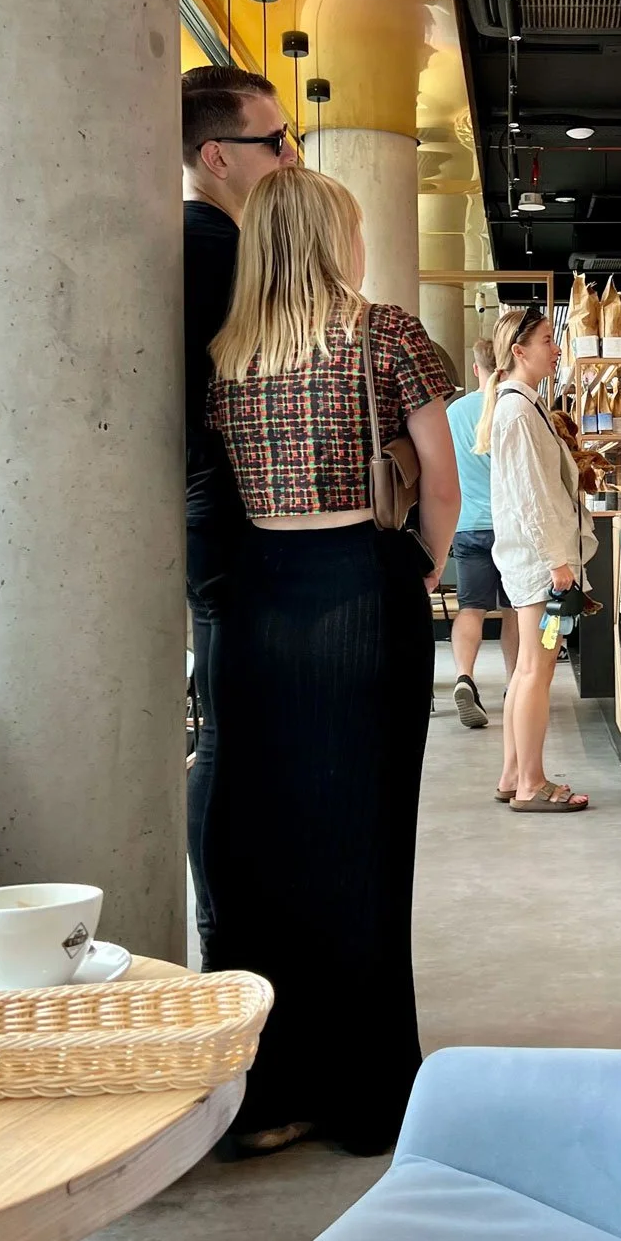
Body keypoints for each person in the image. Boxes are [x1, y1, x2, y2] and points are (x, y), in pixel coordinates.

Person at [204, 169, 460, 1155]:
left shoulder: (229, 355)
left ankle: (276, 1090)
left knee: (272, 850)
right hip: (362, 585)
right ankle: (369, 1100)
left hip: (263, 596)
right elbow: (440, 480)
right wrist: (423, 569)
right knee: (366, 840)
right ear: (331, 237)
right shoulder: (386, 332)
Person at [181, 64, 295, 965]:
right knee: (233, 728)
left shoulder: (202, 243)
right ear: (217, 156)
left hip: (217, 515)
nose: (290, 156)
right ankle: (229, 942)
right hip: (230, 516)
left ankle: (236, 934)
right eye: (275, 141)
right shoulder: (218, 252)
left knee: (236, 725)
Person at [474, 306, 596, 814]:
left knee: (528, 669)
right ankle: (532, 783)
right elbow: (533, 496)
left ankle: (512, 775)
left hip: (534, 562)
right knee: (536, 672)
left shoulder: (520, 406)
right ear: (519, 351)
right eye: (548, 340)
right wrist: (558, 563)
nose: (556, 347)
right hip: (542, 565)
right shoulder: (519, 411)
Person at [446, 339, 519, 728]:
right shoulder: (511, 405)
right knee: (513, 609)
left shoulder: (454, 412)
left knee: (471, 608)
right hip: (510, 527)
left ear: (476, 369)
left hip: (468, 524)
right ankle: (514, 686)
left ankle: (464, 677)